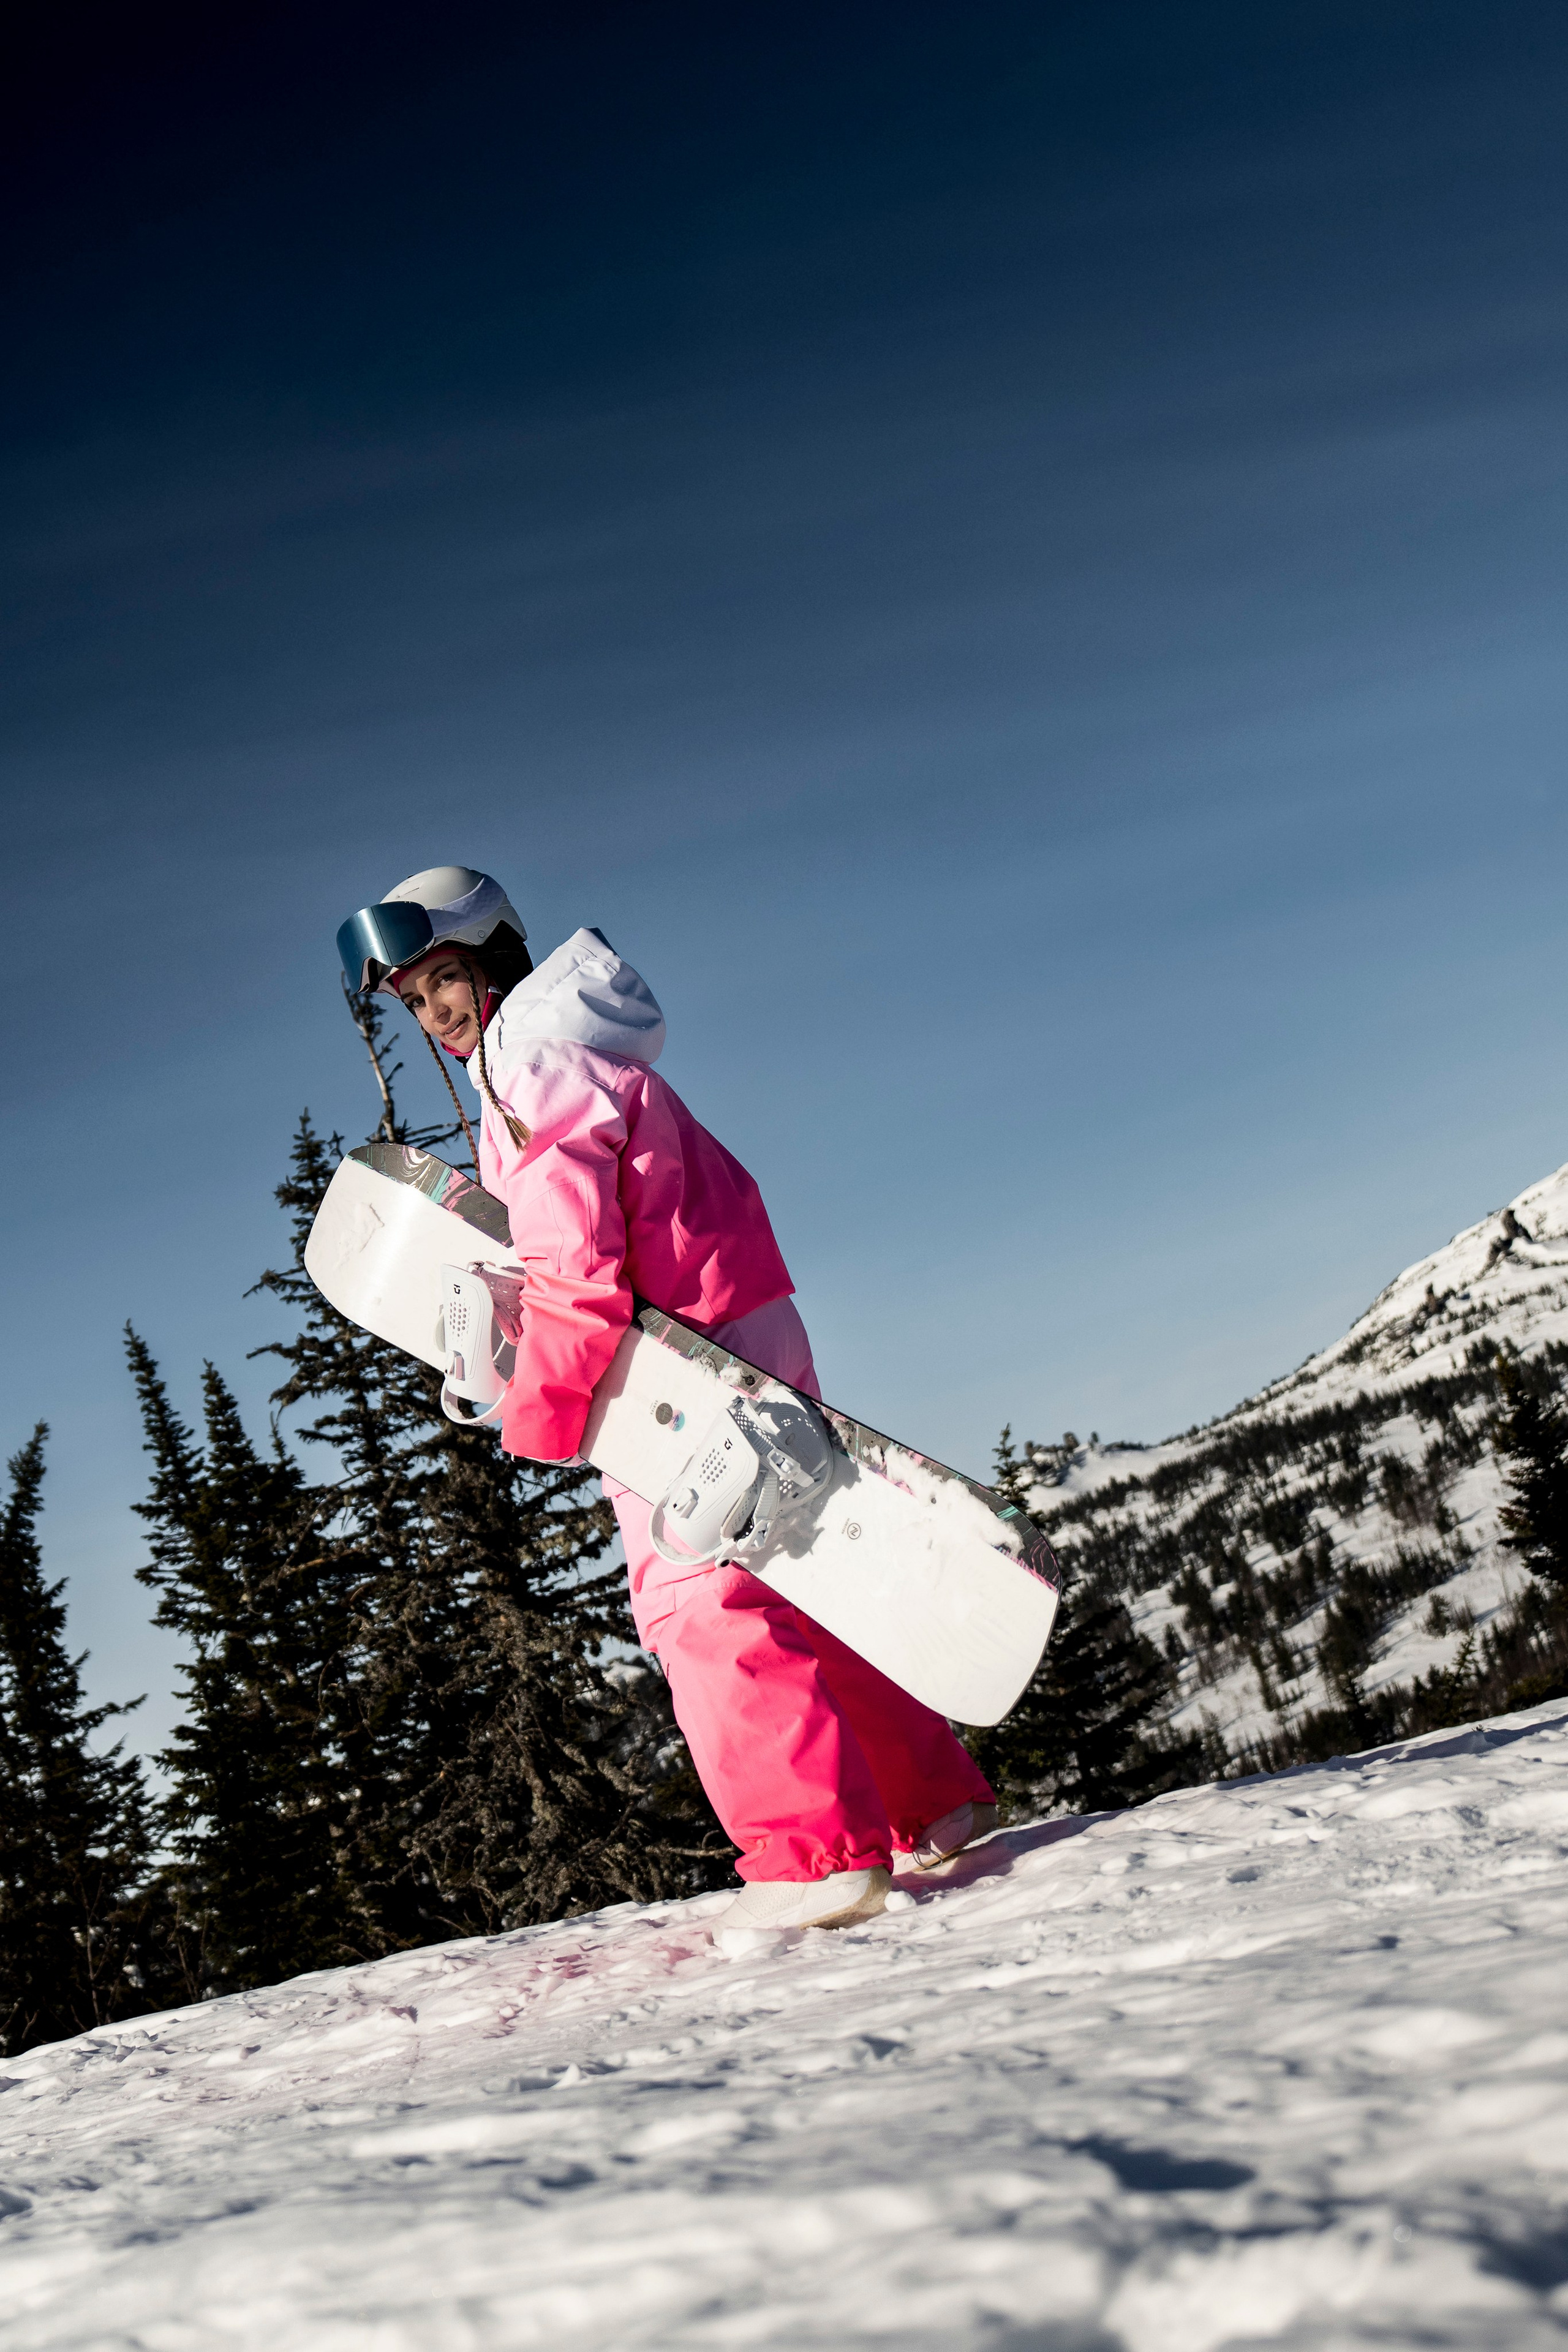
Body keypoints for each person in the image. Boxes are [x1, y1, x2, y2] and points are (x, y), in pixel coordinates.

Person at [336, 865, 997, 1931]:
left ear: (495, 956)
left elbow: (577, 1264)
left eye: (446, 978)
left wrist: (540, 1406)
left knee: (695, 1601)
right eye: (415, 1000)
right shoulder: (574, 1049)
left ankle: (817, 1855)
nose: (437, 1013)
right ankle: (930, 1800)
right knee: (794, 1569)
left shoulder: (528, 1066)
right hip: (733, 1325)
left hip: (686, 1367)